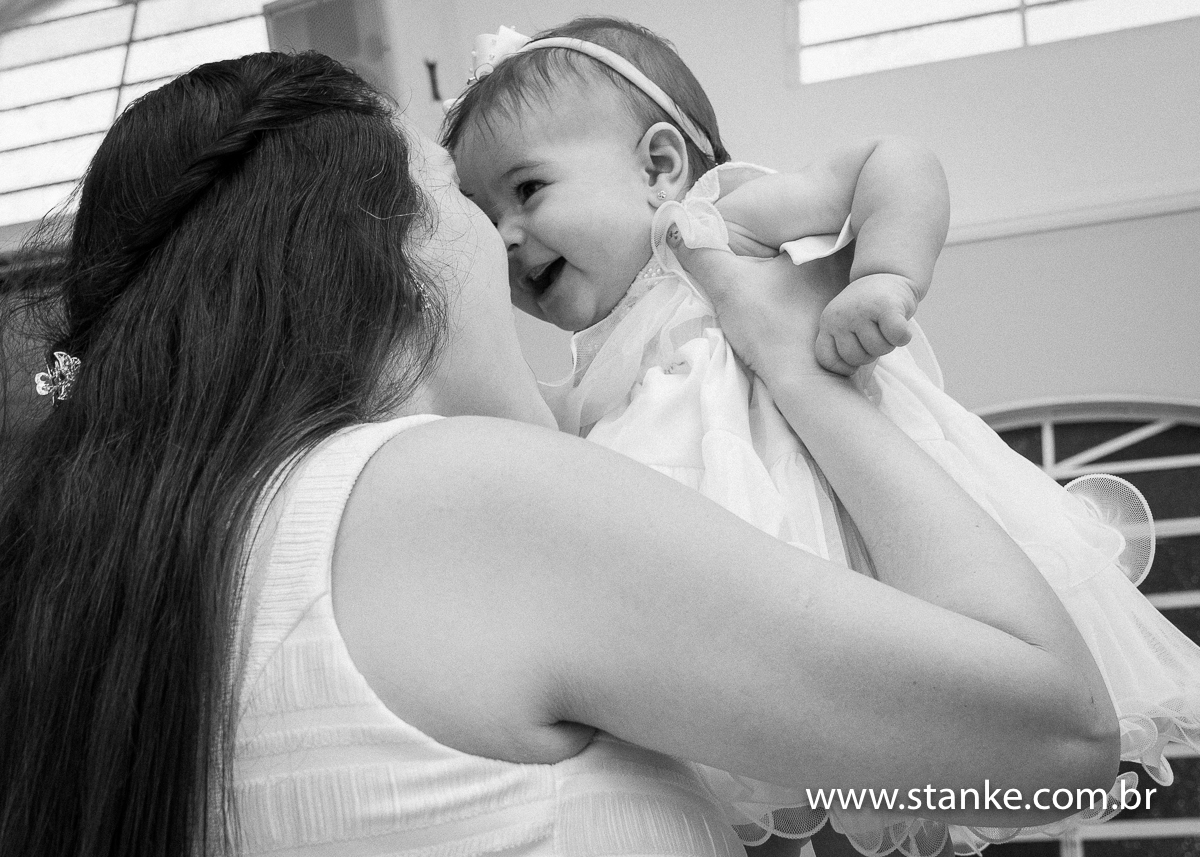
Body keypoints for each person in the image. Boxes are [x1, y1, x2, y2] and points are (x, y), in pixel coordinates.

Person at [0, 51, 1120, 857]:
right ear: (391, 253)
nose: (505, 238)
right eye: (457, 196)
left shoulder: (97, 584)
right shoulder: (452, 504)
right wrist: (800, 366)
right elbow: (1058, 736)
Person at [442, 16, 1200, 856]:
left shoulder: (707, 223)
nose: (503, 234)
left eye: (528, 189)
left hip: (846, 561)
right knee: (794, 797)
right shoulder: (596, 372)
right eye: (480, 213)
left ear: (658, 167)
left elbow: (894, 160)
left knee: (901, 769)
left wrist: (885, 274)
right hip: (742, 631)